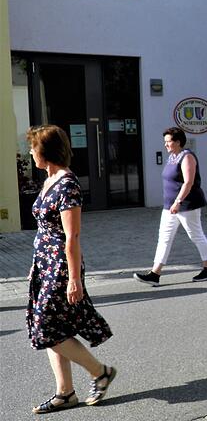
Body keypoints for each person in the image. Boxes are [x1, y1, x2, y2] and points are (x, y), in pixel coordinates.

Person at [25, 125, 116, 414]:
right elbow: (44, 230)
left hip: (62, 267)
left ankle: (100, 372)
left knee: (44, 327)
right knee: (53, 328)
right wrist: (35, 264)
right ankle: (65, 393)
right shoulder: (49, 179)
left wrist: (74, 278)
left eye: (33, 147)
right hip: (45, 264)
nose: (30, 152)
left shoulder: (67, 184)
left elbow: (72, 236)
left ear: (46, 151)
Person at [134, 127, 207, 286]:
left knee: (195, 234)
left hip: (186, 204)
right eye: (165, 142)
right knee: (164, 238)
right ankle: (155, 274)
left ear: (178, 142)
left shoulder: (187, 157)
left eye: (168, 141)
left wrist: (178, 202)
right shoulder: (172, 157)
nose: (166, 145)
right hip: (170, 206)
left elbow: (188, 182)